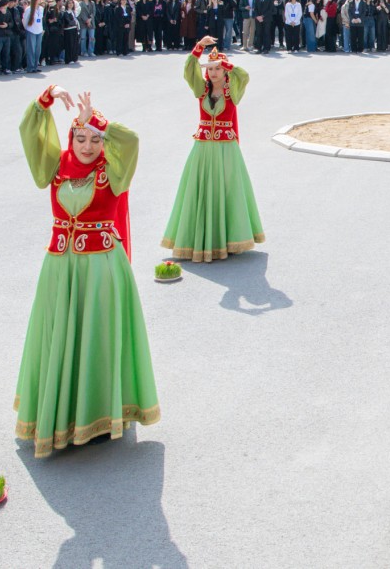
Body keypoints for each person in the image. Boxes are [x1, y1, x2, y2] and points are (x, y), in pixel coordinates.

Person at [15, 86, 158, 457]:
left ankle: (96, 415)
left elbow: (131, 140)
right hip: (60, 269)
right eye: (80, 137)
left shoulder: (113, 170)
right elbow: (30, 131)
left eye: (95, 139)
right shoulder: (57, 165)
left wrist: (95, 119)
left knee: (96, 337)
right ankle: (60, 414)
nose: (87, 145)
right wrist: (47, 98)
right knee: (60, 335)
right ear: (71, 138)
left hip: (101, 269)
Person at [161, 36, 265, 262]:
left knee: (227, 191)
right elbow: (189, 69)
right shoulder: (201, 89)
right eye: (211, 69)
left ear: (225, 71)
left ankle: (227, 239)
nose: (214, 72)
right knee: (200, 190)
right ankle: (200, 239)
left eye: (218, 68)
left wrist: (229, 65)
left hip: (226, 149)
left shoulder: (232, 91)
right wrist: (199, 47)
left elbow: (244, 76)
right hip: (203, 148)